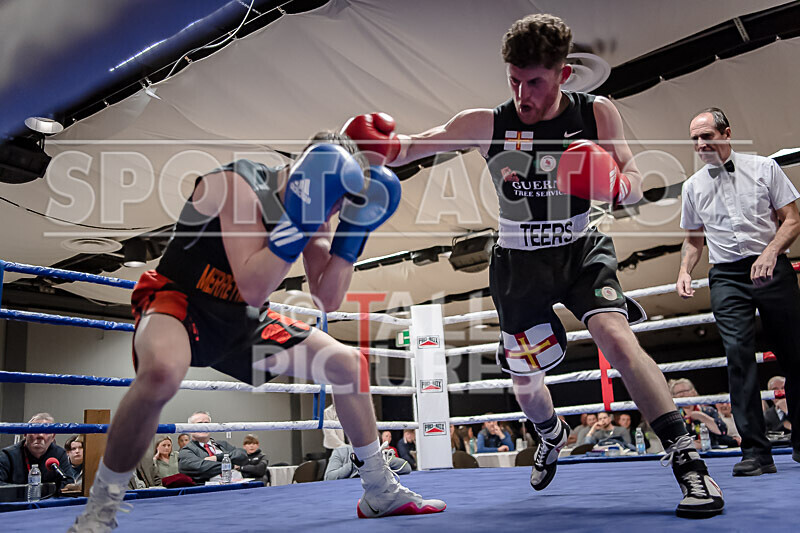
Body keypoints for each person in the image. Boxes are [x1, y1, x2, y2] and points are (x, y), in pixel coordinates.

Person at [343, 13, 722, 518]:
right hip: (518, 264)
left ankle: (687, 462)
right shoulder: (487, 122)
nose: (523, 94)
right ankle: (550, 432)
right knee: (527, 379)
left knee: (617, 337)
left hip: (582, 248)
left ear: (564, 73)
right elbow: (414, 146)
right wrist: (373, 149)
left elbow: (632, 175)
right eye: (514, 81)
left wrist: (613, 184)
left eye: (535, 81)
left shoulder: (596, 113)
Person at [69, 133, 445, 531]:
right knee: (161, 373)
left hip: (245, 319)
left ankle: (379, 491)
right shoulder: (236, 185)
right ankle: (100, 510)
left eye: (343, 206)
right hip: (182, 303)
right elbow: (253, 282)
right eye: (337, 201)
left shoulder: (316, 209)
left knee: (349, 365)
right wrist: (301, 221)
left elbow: (327, 298)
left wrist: (354, 235)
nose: (334, 211)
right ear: (310, 176)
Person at [677, 106, 800, 474]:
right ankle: (755, 453)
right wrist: (685, 270)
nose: (700, 144)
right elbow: (693, 240)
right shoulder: (692, 186)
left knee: (795, 355)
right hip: (727, 276)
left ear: (726, 134)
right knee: (738, 358)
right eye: (694, 139)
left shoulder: (764, 168)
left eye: (706, 136)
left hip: (772, 265)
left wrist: (771, 251)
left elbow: (792, 219)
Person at [0, 413, 76, 486]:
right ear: (25, 434)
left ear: (53, 437)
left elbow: (68, 482)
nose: (40, 435)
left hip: (49, 499)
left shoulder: (59, 454)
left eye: (46, 431)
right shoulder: (7, 455)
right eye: (35, 430)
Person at [178, 412, 248, 483]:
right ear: (189, 428)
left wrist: (217, 458)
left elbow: (242, 455)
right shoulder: (186, 451)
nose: (204, 427)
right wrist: (231, 465)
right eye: (199, 424)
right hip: (211, 491)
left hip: (239, 486)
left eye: (207, 423)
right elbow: (201, 469)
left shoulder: (222, 444)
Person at [669, 379, 738, 449]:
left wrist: (701, 417)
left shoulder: (708, 411)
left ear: (693, 392)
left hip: (712, 453)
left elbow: (722, 431)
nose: (681, 394)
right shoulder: (675, 415)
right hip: (687, 453)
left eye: (684, 391)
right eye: (677, 393)